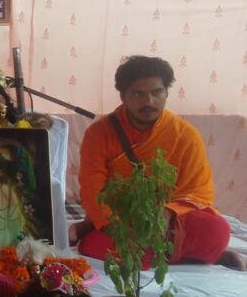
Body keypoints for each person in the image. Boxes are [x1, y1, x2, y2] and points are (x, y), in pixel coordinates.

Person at [69, 55, 245, 270]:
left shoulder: (185, 135)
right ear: (123, 96)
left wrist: (167, 213)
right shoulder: (99, 134)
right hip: (121, 221)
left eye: (156, 92)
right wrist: (114, 226)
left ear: (166, 93)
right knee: (92, 246)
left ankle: (158, 254)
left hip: (169, 222)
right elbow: (92, 190)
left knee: (216, 230)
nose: (149, 102)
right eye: (138, 94)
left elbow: (199, 192)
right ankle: (190, 255)